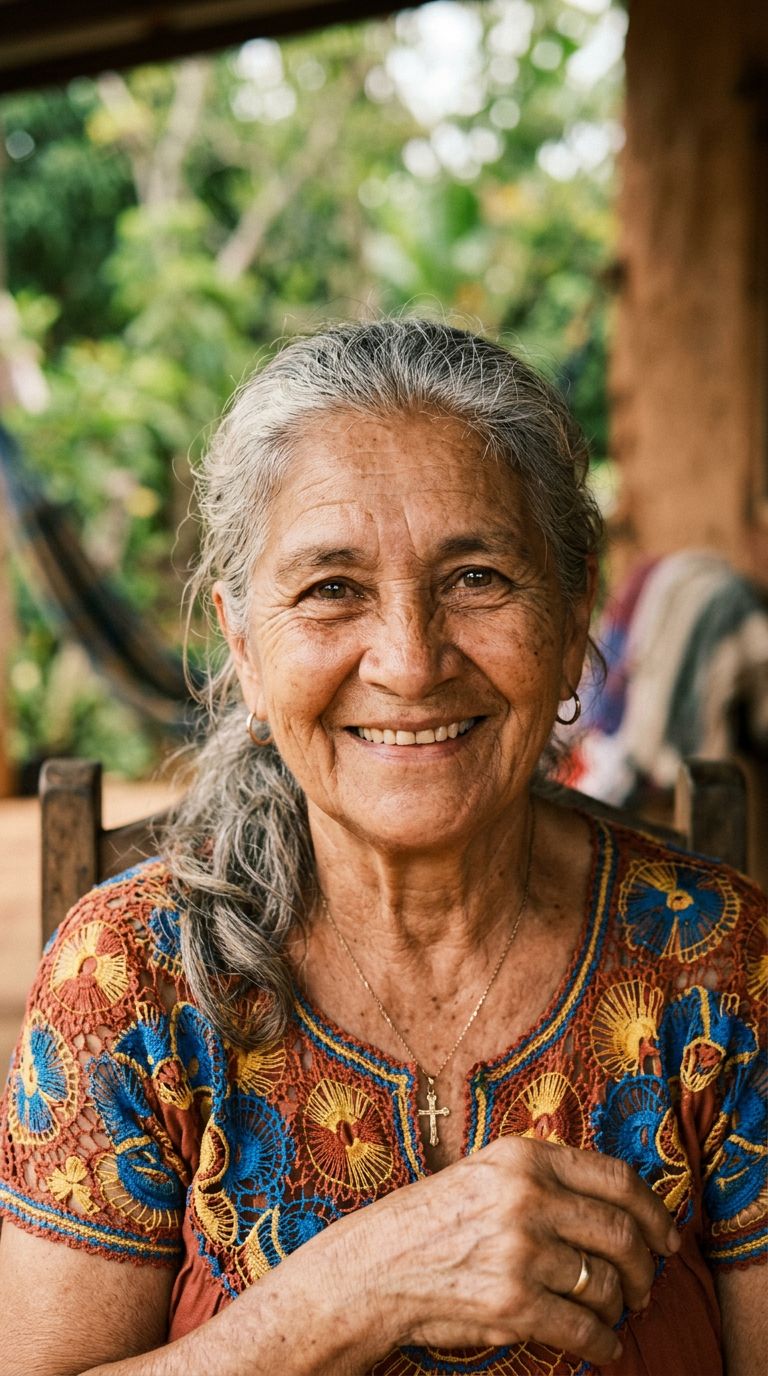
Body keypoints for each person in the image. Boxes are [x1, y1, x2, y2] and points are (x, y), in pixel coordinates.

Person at [0, 319, 765, 1376]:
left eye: (478, 577)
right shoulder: (130, 976)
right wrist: (352, 1288)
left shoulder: (722, 965)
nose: (408, 662)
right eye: (331, 589)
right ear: (244, 646)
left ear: (572, 610)